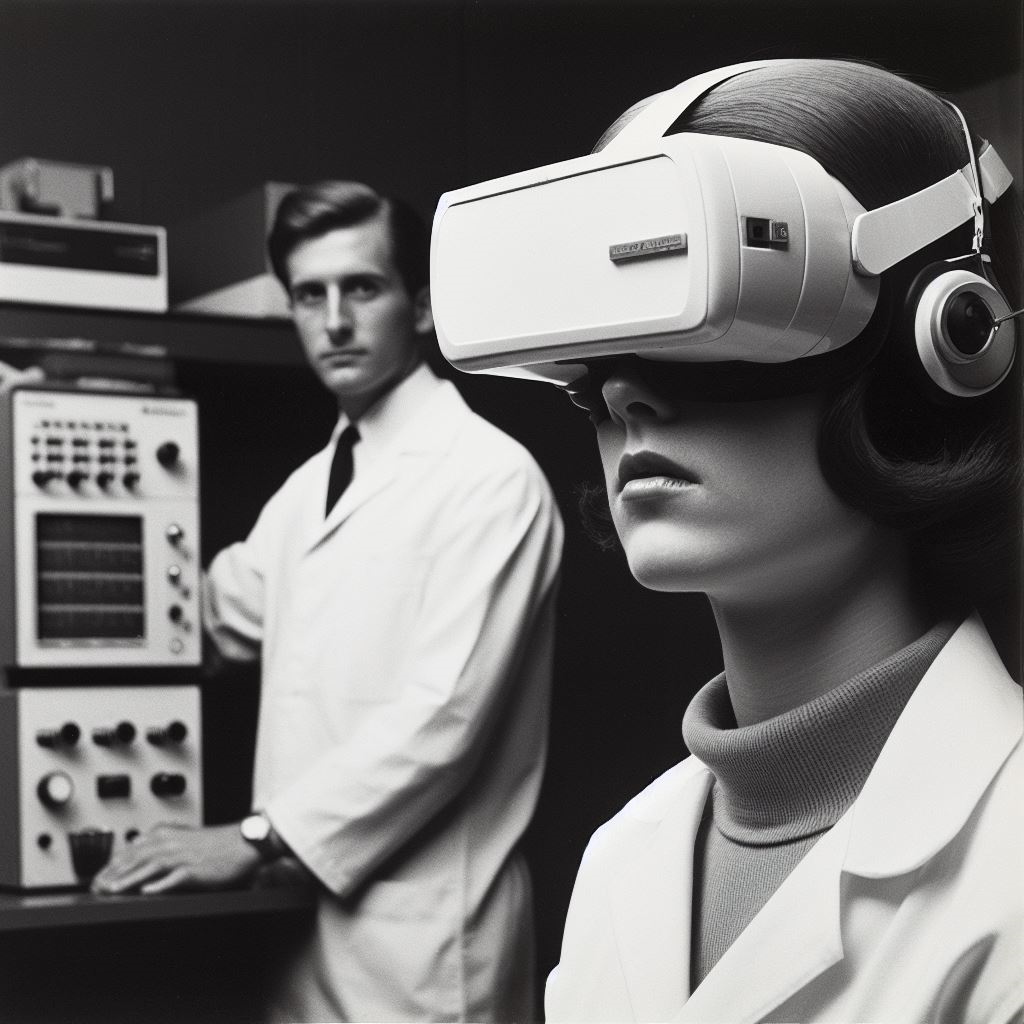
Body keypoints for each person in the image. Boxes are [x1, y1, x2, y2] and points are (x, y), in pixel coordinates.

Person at [437, 61, 1023, 1021]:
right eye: (604, 336)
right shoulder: (625, 862)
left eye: (722, 318)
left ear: (947, 340)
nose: (628, 391)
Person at [90, 180, 564, 1023]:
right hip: (305, 947)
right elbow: (194, 622)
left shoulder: (490, 480)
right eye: (311, 295)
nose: (334, 320)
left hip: (424, 959)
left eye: (362, 288)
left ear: (420, 309)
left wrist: (250, 837)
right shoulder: (310, 490)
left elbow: (441, 722)